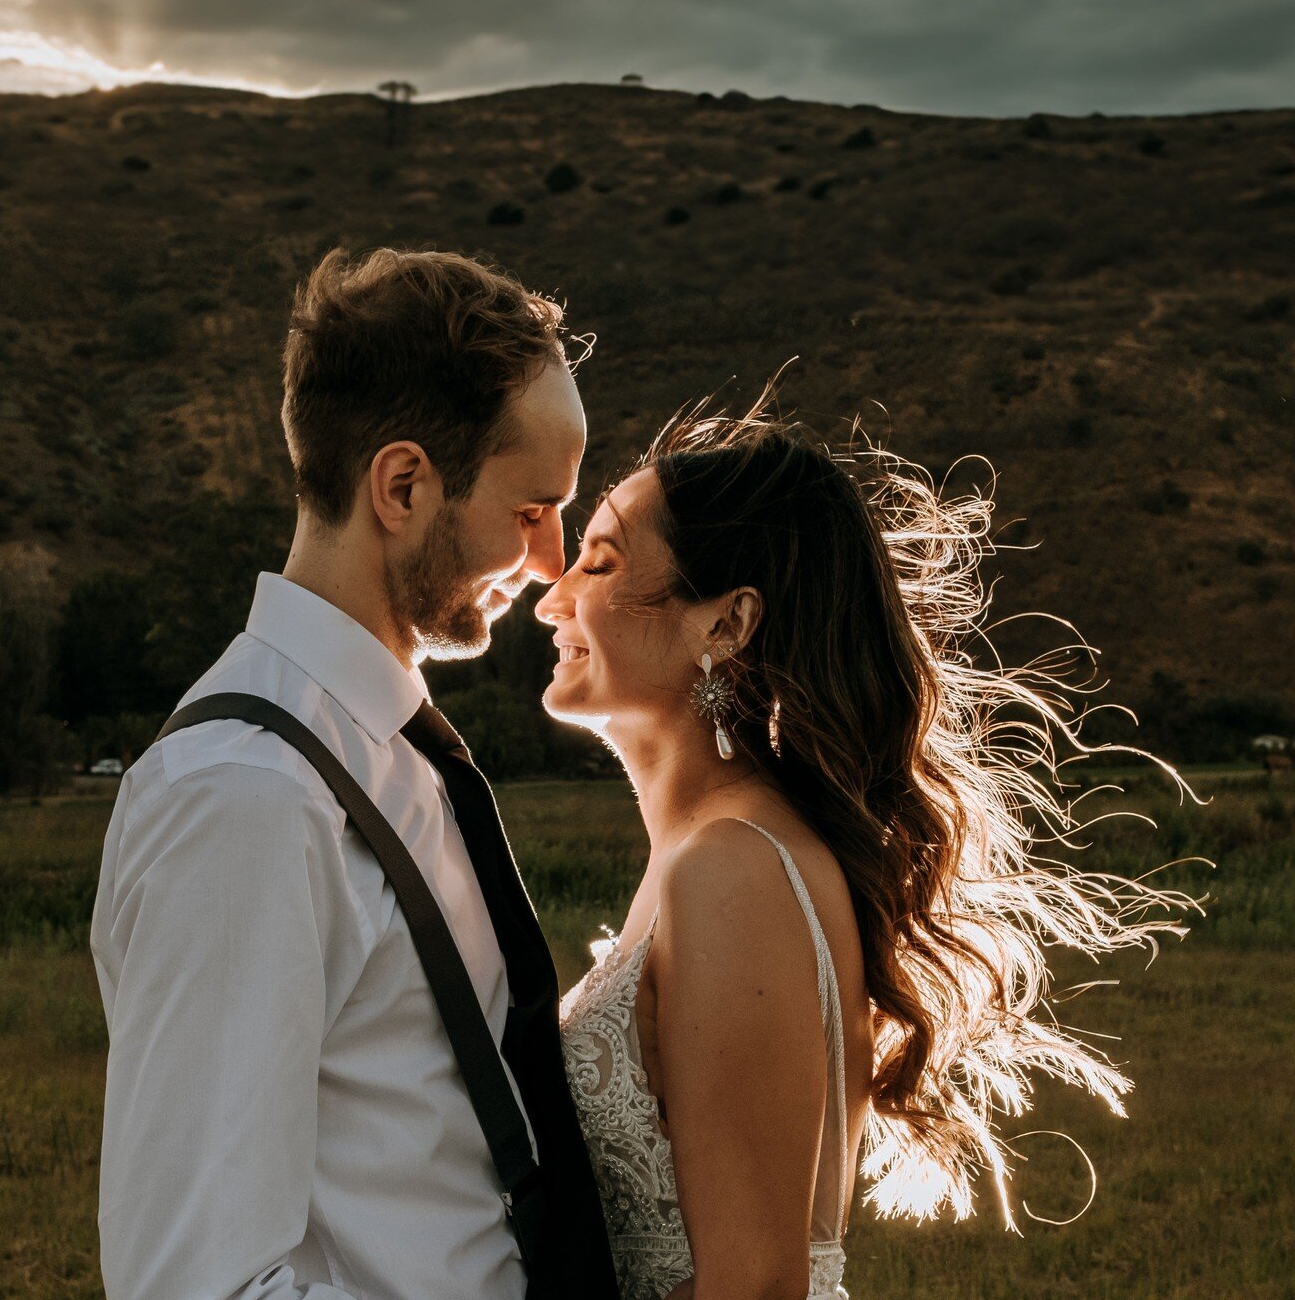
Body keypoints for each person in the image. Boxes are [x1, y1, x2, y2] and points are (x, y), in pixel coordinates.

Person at [537, 397, 1194, 1300]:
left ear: (725, 625)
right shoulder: (713, 851)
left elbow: (756, 1290)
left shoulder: (733, 865)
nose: (552, 599)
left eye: (599, 564)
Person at [90, 246, 620, 1300]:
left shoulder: (391, 753)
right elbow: (198, 1283)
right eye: (530, 510)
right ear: (405, 484)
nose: (553, 557)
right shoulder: (244, 801)